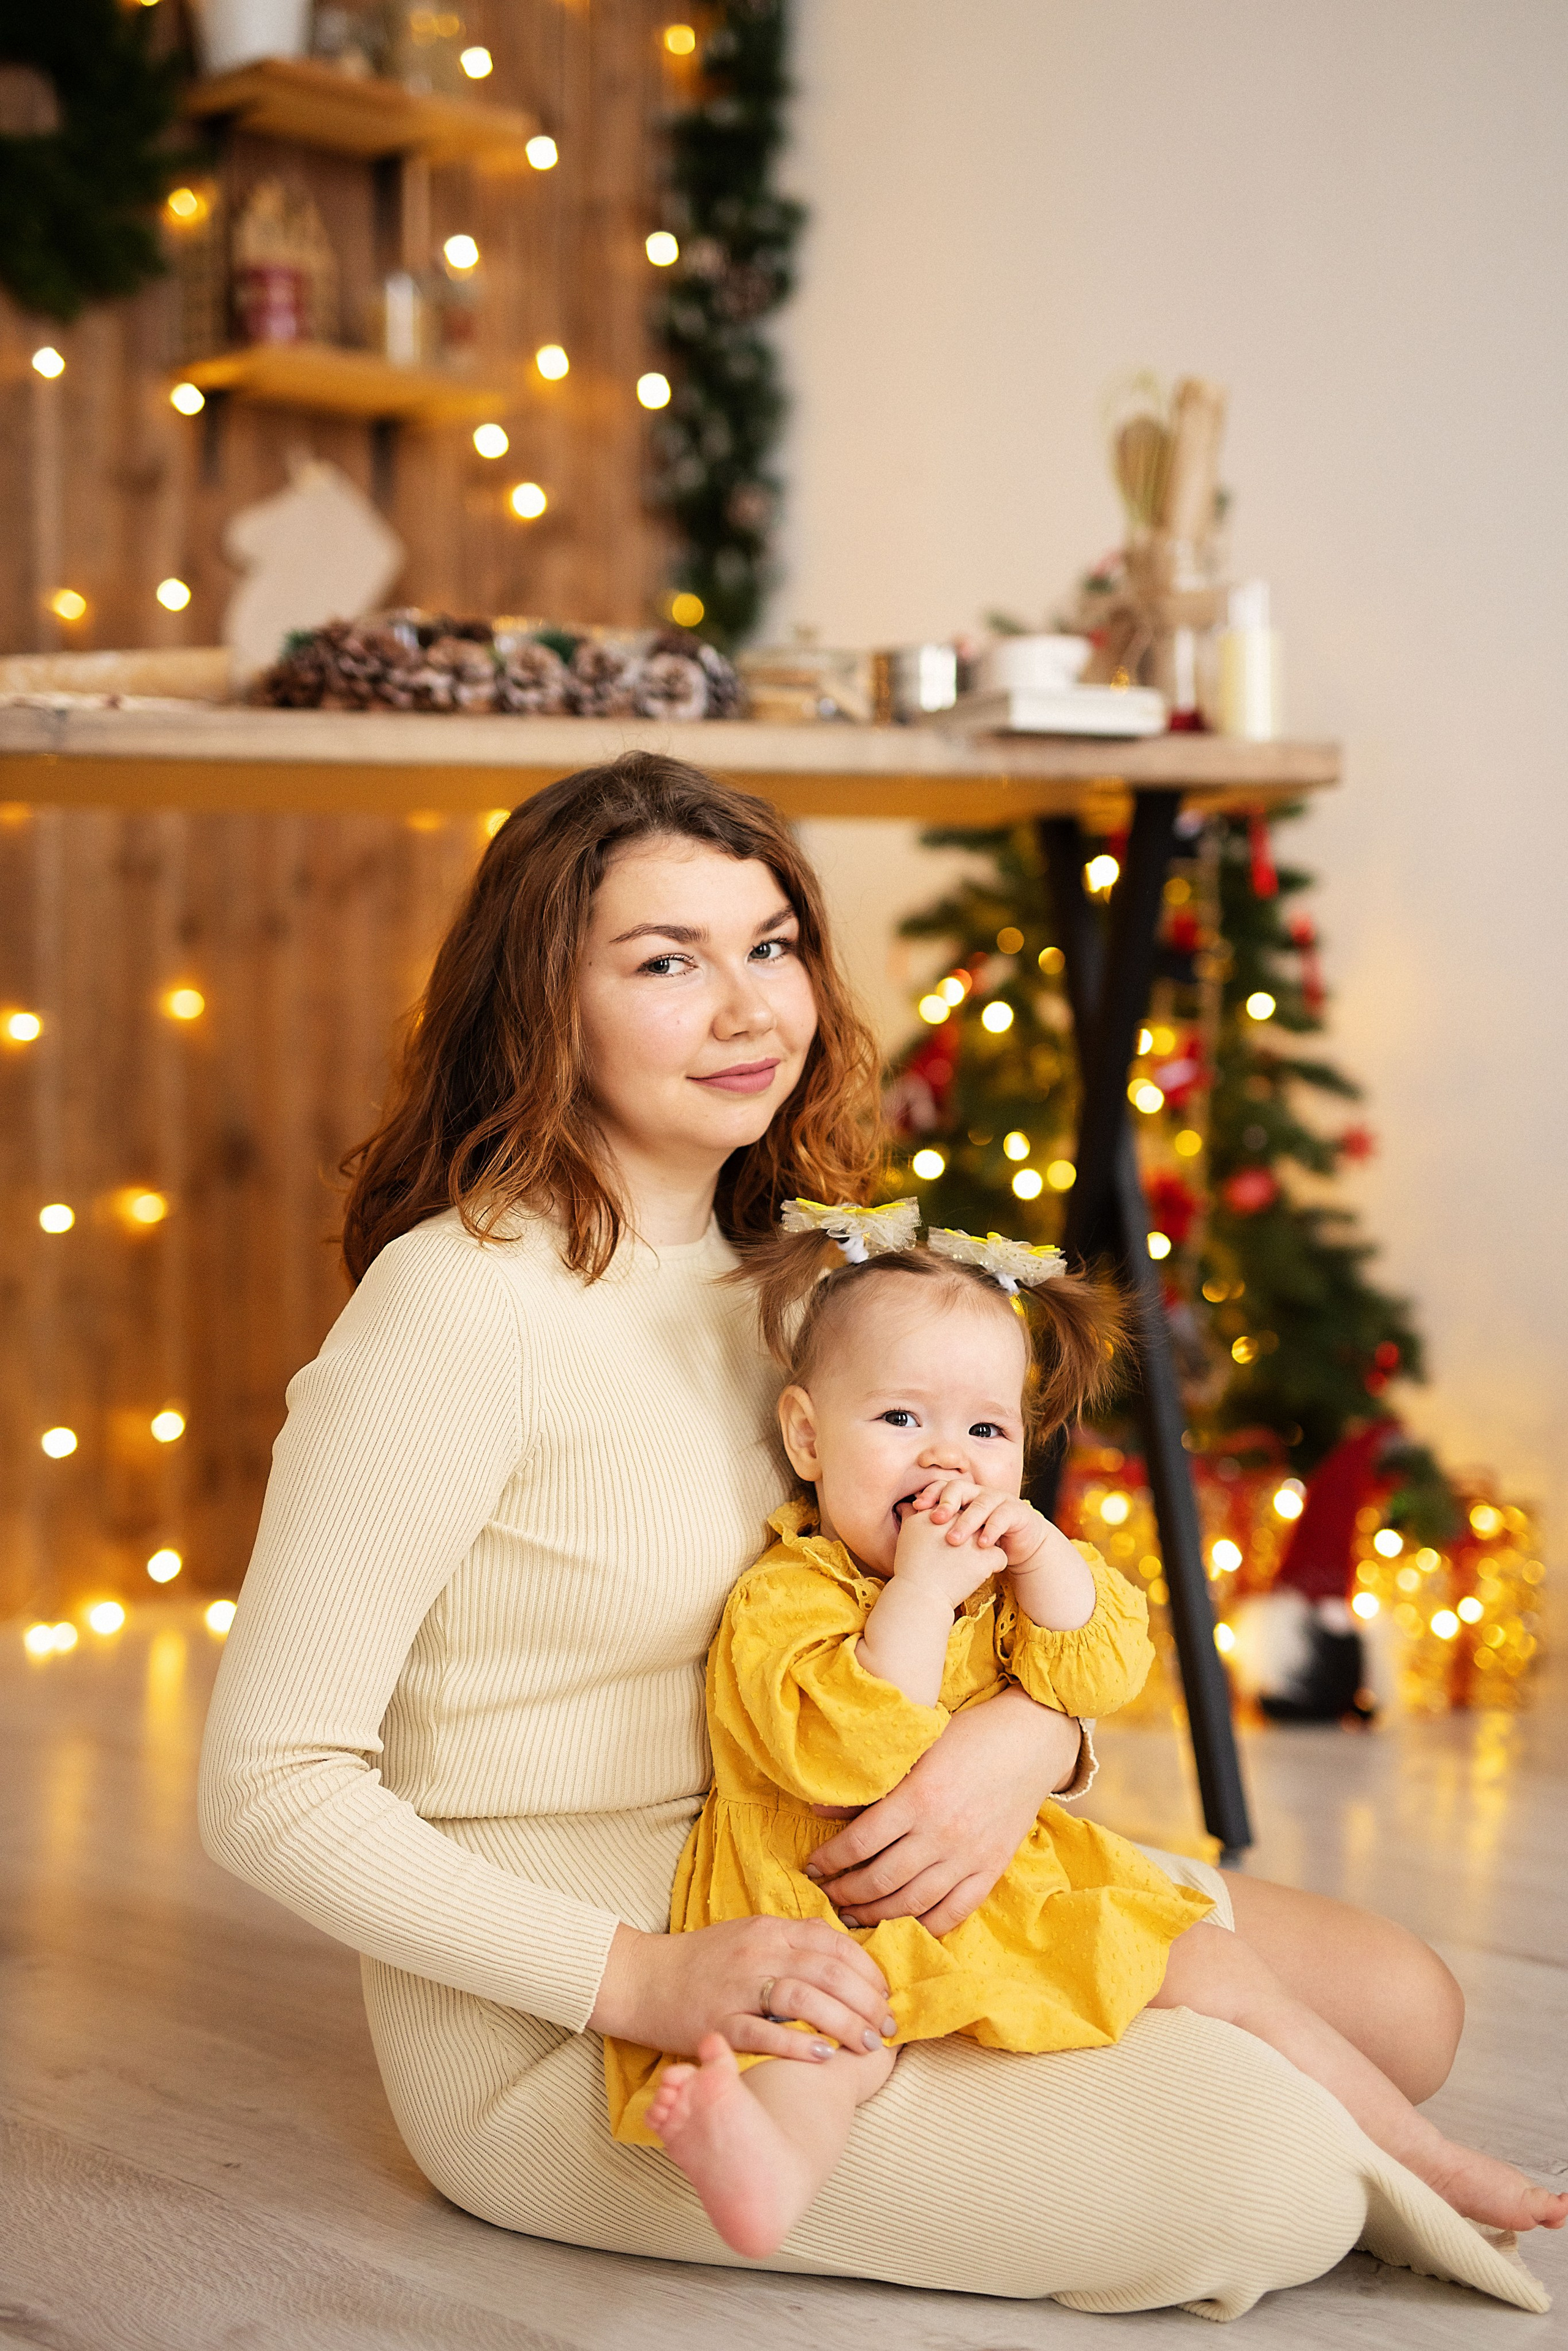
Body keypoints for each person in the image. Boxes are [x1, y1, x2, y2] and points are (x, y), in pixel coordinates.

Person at [198, 751, 1542, 2320]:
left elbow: (973, 1575)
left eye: (770, 945)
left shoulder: (804, 1276)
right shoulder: (456, 1308)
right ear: (538, 1006)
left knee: (1402, 2008)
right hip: (595, 1987)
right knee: (1276, 2174)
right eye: (663, 962)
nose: (750, 1008)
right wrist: (638, 1975)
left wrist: (1027, 1745)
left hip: (858, 1849)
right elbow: (266, 1786)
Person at [603, 1213, 1567, 2258]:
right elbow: (849, 1754)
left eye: (988, 1432)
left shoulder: (1010, 1568)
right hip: (826, 1905)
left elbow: (1102, 1669)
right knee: (825, 2044)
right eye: (898, 1416)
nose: (948, 1460)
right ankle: (762, 2170)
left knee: (1227, 1969)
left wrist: (1045, 1559)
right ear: (805, 1436)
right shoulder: (789, 1593)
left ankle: (1427, 2156)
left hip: (1013, 1887)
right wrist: (922, 1593)